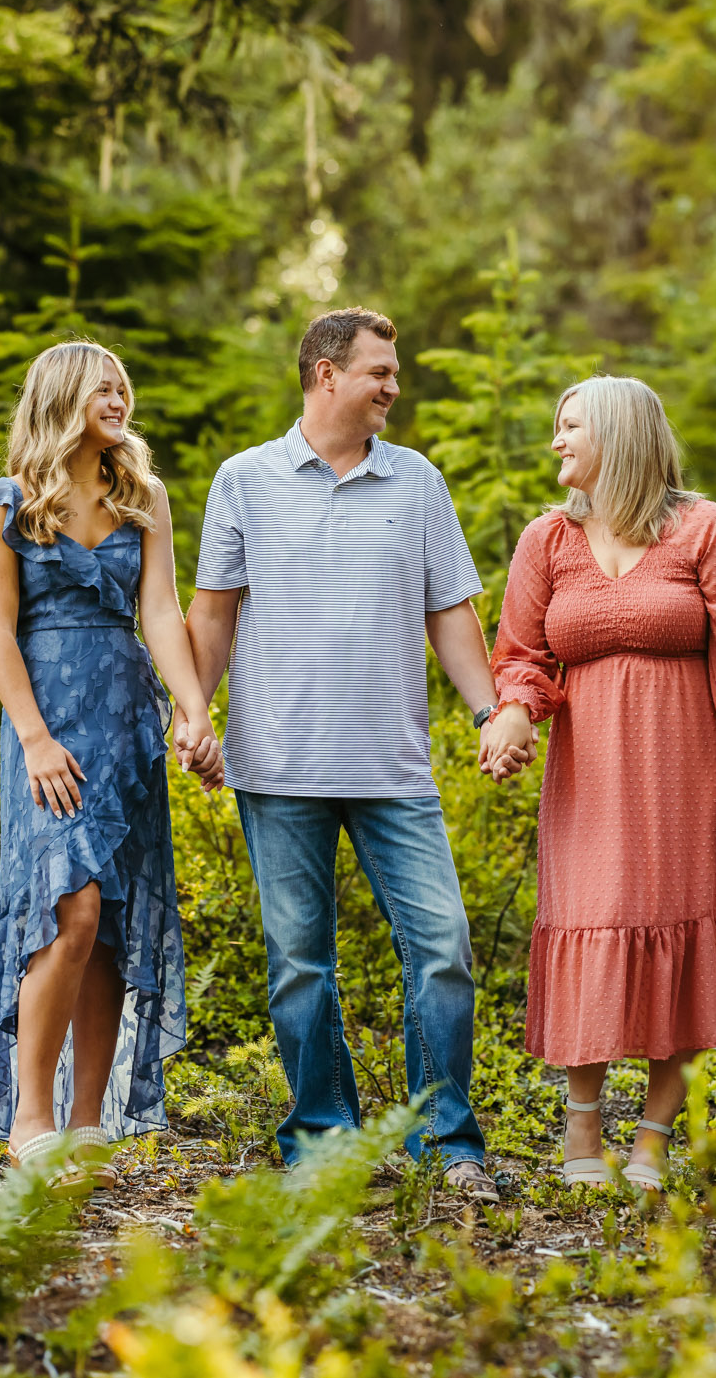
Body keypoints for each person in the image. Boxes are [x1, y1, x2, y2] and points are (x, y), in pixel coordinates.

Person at [185, 308, 502, 1199]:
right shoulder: (244, 479)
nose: (394, 385)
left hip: (393, 769)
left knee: (441, 945)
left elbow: (451, 611)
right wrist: (193, 711)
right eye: (379, 371)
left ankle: (446, 1140)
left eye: (393, 371)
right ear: (327, 373)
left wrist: (488, 712)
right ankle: (322, 1139)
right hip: (278, 764)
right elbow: (212, 613)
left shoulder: (418, 482)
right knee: (299, 965)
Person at [482, 377, 716, 1191]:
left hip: (690, 774)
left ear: (618, 436)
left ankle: (653, 1140)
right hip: (589, 776)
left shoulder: (703, 529)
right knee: (592, 918)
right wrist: (515, 711)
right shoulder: (547, 540)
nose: (557, 440)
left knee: (680, 926)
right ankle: (582, 1128)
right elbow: (520, 653)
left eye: (571, 426)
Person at [0, 341, 224, 1180]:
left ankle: (87, 1124)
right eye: (102, 387)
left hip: (125, 722)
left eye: (123, 387)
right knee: (67, 908)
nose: (119, 398)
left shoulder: (141, 496)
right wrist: (36, 738)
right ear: (61, 396)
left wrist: (193, 708)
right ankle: (29, 1115)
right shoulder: (4, 503)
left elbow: (160, 612)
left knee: (109, 922)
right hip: (48, 728)